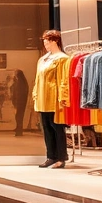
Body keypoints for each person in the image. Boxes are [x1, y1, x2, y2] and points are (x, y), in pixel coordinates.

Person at [33, 30, 69, 168]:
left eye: (47, 42)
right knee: (47, 128)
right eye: (44, 42)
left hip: (54, 99)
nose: (45, 44)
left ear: (55, 41)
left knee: (57, 128)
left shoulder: (62, 59)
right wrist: (35, 94)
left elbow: (64, 79)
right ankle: (51, 156)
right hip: (43, 98)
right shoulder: (43, 59)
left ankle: (61, 158)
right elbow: (37, 79)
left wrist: (63, 97)